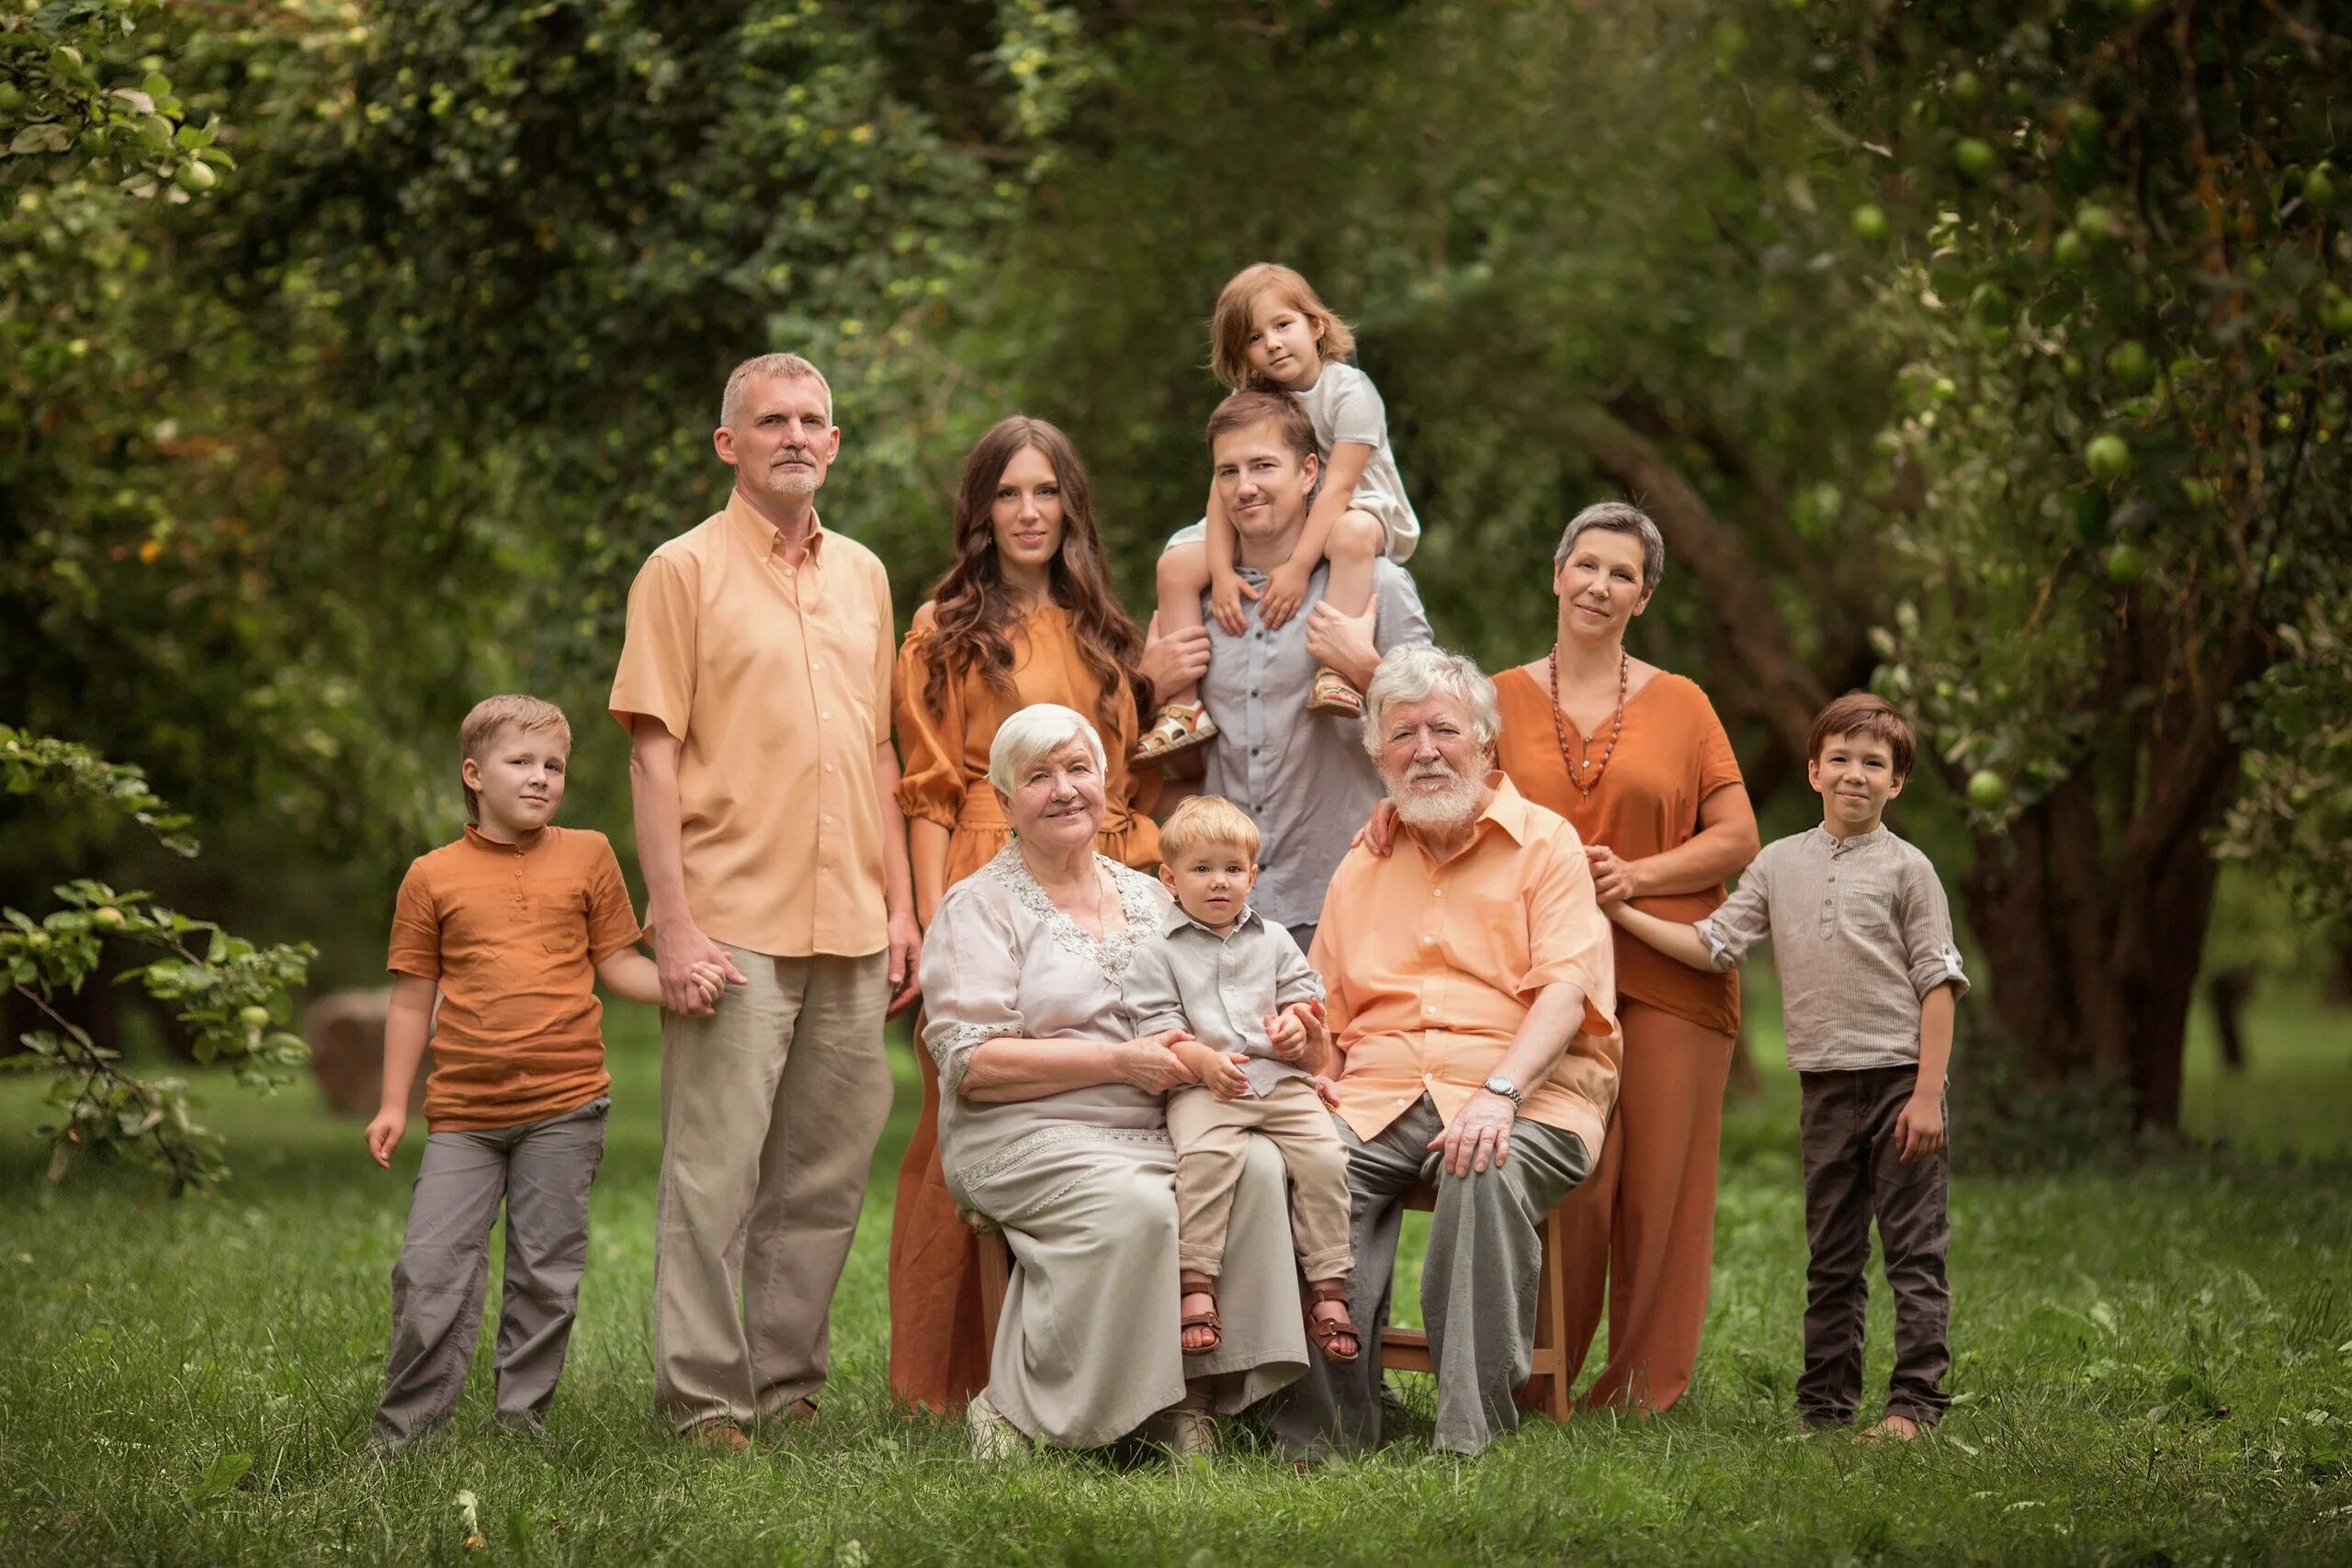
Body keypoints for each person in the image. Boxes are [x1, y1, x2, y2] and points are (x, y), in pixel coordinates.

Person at [608, 352, 921, 1450]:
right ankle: (703, 1399)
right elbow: (655, 756)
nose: (794, 435)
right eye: (770, 420)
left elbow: (878, 750)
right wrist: (674, 919)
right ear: (728, 444)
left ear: (834, 444)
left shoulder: (868, 576)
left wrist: (898, 908)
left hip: (850, 915)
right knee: (716, 1173)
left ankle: (788, 1383)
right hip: (730, 917)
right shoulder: (678, 572)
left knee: (824, 1172)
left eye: (812, 420)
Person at [920, 705, 1311, 1460]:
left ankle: (1191, 1400)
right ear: (1004, 802)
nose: (1065, 790)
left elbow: (1212, 1008)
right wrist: (1117, 1061)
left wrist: (1288, 1037)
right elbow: (973, 1066)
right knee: (1140, 1207)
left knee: (1258, 1168)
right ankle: (1023, 1409)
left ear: (1106, 783)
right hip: (1025, 1131)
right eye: (1039, 777)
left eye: (1078, 770)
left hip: (1159, 1121)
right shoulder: (979, 906)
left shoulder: (1150, 896)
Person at [1271, 645, 1621, 1459]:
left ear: (1485, 743)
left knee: (1481, 1164)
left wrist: (1499, 1092)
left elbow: (1566, 993)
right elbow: (1324, 1006)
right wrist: (1314, 1064)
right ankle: (1326, 1431)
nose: (1424, 750)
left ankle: (1469, 1432)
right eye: (1403, 735)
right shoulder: (1363, 863)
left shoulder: (1547, 845)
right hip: (1380, 1088)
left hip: (1527, 1086)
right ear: (1377, 755)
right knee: (1309, 1164)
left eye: (1443, 730)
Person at [887, 415, 1169, 1416]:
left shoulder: (1099, 624)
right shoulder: (943, 628)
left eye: (1045, 491)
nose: (1028, 512)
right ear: (981, 510)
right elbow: (922, 789)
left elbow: (1125, 770)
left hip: (1109, 874)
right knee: (961, 1115)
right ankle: (939, 1377)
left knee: (1108, 1111)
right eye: (1008, 493)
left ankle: (1100, 1357)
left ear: (1069, 506)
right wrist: (923, 921)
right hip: (980, 864)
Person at [368, 694, 726, 1447]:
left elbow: (615, 962)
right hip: (464, 1116)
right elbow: (411, 998)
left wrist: (677, 981)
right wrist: (393, 1103)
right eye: (520, 762)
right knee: (429, 1270)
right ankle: (405, 1432)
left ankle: (519, 1422)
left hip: (567, 1108)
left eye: (553, 766)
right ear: (474, 773)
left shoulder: (588, 855)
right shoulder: (431, 876)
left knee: (544, 1273)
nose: (540, 778)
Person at [1606, 693, 1966, 1438]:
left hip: (1901, 1082)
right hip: (1825, 1089)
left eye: (1875, 764)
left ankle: (1914, 1406)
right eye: (1841, 759)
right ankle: (1825, 1406)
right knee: (1832, 1256)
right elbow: (1713, 944)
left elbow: (1938, 983)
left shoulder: (1910, 869)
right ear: (1813, 770)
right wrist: (1622, 912)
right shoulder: (1778, 863)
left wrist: (1928, 1095)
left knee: (1912, 1253)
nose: (1855, 775)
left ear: (1897, 782)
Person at [1136, 264, 1424, 757]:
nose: (1271, 343)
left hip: (1357, 503)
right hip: (1285, 514)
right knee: (1177, 564)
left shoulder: (1351, 393)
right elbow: (1219, 490)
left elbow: (1336, 489)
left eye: (1282, 325)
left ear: (1315, 325)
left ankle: (1336, 672)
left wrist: (1296, 570)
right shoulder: (1250, 400)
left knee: (1351, 534)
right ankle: (1182, 708)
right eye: (1254, 336)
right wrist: (1223, 573)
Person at [1181, 389, 1432, 953]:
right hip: (1223, 919)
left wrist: (1366, 667)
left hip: (1350, 903)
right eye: (1229, 472)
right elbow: (1171, 759)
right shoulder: (1199, 602)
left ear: (1309, 472)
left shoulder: (1377, 586)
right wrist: (1149, 683)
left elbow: (1453, 730)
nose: (1244, 487)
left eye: (1263, 466)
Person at [1118, 795, 1359, 1365]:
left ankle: (1328, 1287)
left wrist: (1298, 1027)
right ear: (1170, 879)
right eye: (1202, 870)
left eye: (1232, 869)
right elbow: (1160, 1029)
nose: (1219, 882)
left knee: (1326, 1157)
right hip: (1206, 1087)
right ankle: (1196, 1280)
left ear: (1252, 876)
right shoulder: (1156, 953)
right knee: (1205, 1159)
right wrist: (1203, 1063)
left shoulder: (1274, 940)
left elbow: (1305, 1001)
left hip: (1278, 1083)